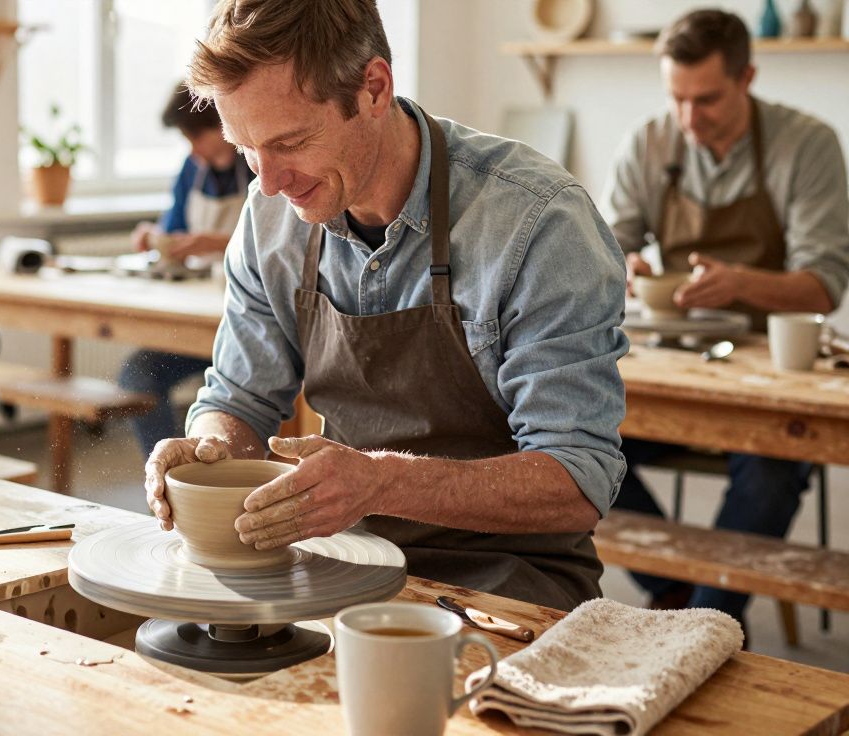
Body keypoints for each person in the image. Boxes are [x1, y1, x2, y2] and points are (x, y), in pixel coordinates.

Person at [144, 0, 628, 611]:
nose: (267, 183)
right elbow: (238, 399)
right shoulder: (271, 216)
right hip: (338, 553)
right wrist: (205, 450)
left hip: (507, 574)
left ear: (373, 87)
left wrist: (379, 483)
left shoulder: (538, 222)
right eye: (246, 149)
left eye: (290, 142)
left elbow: (578, 478)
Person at [601, 9, 849, 621]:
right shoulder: (650, 142)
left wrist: (740, 284)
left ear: (747, 78)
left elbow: (824, 286)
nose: (689, 118)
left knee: (769, 472)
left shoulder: (806, 145)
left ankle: (706, 625)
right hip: (675, 359)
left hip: (770, 370)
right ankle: (676, 594)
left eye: (707, 99)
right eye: (677, 98)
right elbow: (605, 250)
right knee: (571, 437)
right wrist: (625, 263)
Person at [119, 83, 256, 458]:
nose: (193, 147)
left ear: (225, 123)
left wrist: (214, 243)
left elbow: (284, 245)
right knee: (138, 375)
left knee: (246, 395)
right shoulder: (191, 170)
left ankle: (222, 482)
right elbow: (174, 227)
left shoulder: (260, 165)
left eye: (197, 135)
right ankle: (174, 477)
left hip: (252, 328)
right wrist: (156, 237)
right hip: (201, 322)